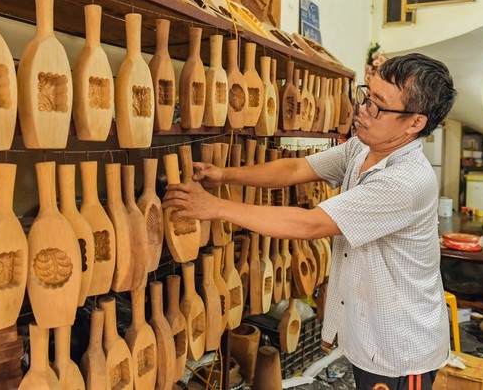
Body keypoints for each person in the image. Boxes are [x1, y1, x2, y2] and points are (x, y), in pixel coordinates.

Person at [163, 53, 458, 390]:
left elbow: (311, 224)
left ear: (414, 123)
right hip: (371, 335)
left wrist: (215, 207)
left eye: (377, 105)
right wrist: (224, 174)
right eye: (366, 95)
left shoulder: (406, 181)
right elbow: (296, 169)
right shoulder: (363, 149)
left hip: (399, 348)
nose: (362, 110)